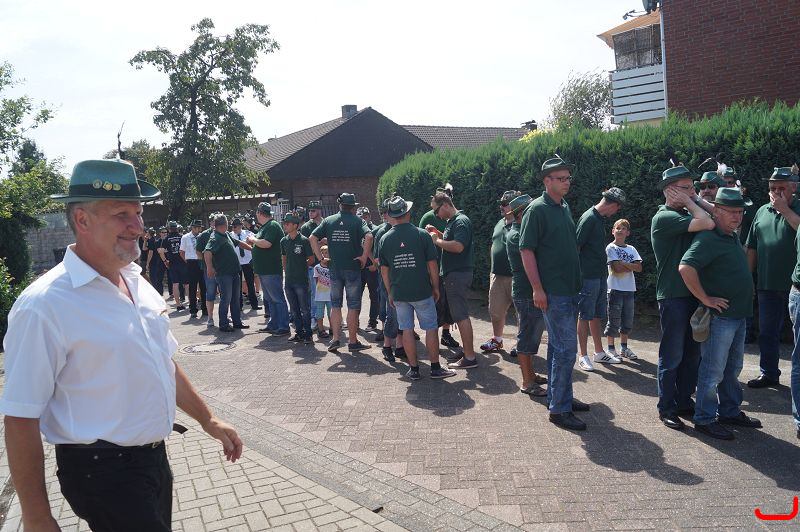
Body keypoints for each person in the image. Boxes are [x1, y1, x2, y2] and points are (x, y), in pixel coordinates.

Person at [0, 159, 242, 531]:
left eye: (138, 213)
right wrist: (36, 517)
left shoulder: (137, 282)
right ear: (82, 220)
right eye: (121, 215)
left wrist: (207, 419)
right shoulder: (44, 305)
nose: (138, 226)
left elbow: (164, 363)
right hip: (101, 472)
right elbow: (20, 416)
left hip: (152, 461)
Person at [679, 187, 762, 440]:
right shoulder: (709, 238)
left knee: (733, 368)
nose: (738, 217)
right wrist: (705, 298)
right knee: (713, 370)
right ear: (717, 212)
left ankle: (729, 411)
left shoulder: (730, 235)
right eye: (732, 212)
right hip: (721, 318)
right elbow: (685, 267)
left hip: (738, 315)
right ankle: (704, 418)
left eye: (740, 212)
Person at [519, 155, 589, 431]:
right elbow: (526, 250)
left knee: (558, 348)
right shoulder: (536, 210)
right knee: (566, 349)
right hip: (554, 292)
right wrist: (537, 288)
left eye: (568, 178)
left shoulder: (564, 206)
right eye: (561, 178)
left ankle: (560, 397)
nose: (567, 182)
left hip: (569, 290)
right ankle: (559, 409)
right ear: (547, 181)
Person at [651, 164, 715, 431]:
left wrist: (693, 199)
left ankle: (683, 401)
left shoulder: (686, 211)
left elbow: (717, 217)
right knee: (672, 355)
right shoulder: (665, 217)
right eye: (686, 188)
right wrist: (692, 202)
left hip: (692, 293)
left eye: (692, 187)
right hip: (673, 295)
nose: (693, 192)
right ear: (670, 190)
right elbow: (708, 222)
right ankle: (666, 407)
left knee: (692, 355)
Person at [379, 196, 456, 380]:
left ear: (392, 215)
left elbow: (384, 271)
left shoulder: (385, 239)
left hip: (399, 293)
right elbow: (432, 265)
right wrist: (436, 287)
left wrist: (390, 292)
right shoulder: (422, 235)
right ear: (408, 212)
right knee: (431, 328)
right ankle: (435, 368)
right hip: (422, 291)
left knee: (406, 329)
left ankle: (413, 370)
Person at [745, 166, 800, 388]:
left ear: (794, 188)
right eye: (772, 188)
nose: (776, 192)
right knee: (767, 332)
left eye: (781, 188)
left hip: (796, 286)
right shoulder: (761, 211)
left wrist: (785, 210)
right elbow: (752, 247)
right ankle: (768, 373)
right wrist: (747, 278)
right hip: (767, 284)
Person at [309, 193, 372, 353]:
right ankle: (352, 341)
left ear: (340, 205)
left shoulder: (329, 221)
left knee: (335, 305)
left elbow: (312, 237)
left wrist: (321, 259)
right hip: (353, 268)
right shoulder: (358, 221)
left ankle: (336, 339)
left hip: (334, 268)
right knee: (353, 306)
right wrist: (364, 257)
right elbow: (369, 236)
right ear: (353, 207)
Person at [575, 187, 625, 370]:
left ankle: (598, 352)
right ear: (613, 204)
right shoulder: (589, 218)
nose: (617, 212)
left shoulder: (598, 218)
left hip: (599, 275)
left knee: (596, 315)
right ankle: (582, 355)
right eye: (618, 208)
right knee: (584, 315)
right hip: (587, 276)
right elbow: (576, 247)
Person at [427, 191, 477, 369]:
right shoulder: (453, 222)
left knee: (461, 315)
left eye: (436, 211)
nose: (436, 215)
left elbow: (458, 246)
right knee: (459, 314)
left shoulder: (460, 221)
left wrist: (436, 241)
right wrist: (439, 234)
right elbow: (453, 240)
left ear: (446, 205)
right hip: (455, 274)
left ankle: (470, 357)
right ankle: (467, 352)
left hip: (457, 275)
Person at [505, 194, 548, 395]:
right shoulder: (517, 235)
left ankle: (531, 375)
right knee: (526, 337)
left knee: (531, 336)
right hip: (526, 293)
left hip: (527, 292)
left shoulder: (520, 231)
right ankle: (527, 382)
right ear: (521, 214)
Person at [419, 184, 461, 350]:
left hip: (447, 267)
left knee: (448, 303)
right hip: (433, 266)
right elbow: (422, 242)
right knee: (436, 302)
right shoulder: (428, 217)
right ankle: (433, 337)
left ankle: (446, 334)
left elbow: (449, 240)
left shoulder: (452, 219)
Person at [480, 190, 519, 354]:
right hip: (497, 276)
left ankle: (521, 343)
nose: (501, 207)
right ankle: (497, 340)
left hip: (517, 276)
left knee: (521, 312)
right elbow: (494, 245)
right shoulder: (499, 223)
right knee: (495, 311)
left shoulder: (522, 224)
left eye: (505, 204)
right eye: (501, 204)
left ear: (515, 205)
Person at [204, 213, 252, 332]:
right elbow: (207, 252)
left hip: (234, 272)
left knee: (235, 298)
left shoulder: (225, 234)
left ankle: (237, 322)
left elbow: (238, 243)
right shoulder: (215, 238)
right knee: (226, 299)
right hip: (224, 274)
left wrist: (252, 249)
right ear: (224, 224)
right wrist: (209, 268)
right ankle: (223, 324)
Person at [248, 202, 290, 335]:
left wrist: (253, 239)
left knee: (277, 298)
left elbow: (267, 244)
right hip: (264, 270)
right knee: (270, 299)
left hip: (271, 269)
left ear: (260, 213)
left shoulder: (272, 225)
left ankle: (283, 326)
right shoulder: (265, 226)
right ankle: (274, 324)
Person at [604, 219, 642, 359]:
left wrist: (623, 263)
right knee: (613, 320)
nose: (620, 230)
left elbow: (639, 268)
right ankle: (610, 349)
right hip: (614, 289)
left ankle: (624, 348)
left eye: (623, 228)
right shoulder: (610, 248)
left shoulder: (632, 249)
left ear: (628, 233)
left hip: (629, 290)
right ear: (613, 231)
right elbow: (616, 268)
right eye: (617, 228)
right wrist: (630, 265)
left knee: (627, 321)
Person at [281, 211, 315, 343]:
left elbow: (311, 259)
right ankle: (299, 333)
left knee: (305, 309)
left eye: (287, 223)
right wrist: (287, 271)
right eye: (284, 223)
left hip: (301, 280)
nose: (285, 225)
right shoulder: (283, 241)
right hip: (289, 280)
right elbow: (284, 258)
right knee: (294, 310)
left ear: (295, 225)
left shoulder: (304, 240)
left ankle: (308, 334)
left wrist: (300, 267)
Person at [301, 200, 324, 330]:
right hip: (313, 264)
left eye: (313, 210)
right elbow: (304, 246)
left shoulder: (326, 223)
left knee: (331, 292)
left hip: (328, 264)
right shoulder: (306, 227)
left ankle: (335, 318)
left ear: (319, 210)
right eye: (309, 210)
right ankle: (314, 318)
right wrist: (318, 243)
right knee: (315, 293)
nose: (310, 213)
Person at [358, 206, 381, 330]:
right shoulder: (356, 229)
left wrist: (375, 264)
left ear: (369, 216)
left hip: (372, 267)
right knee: (356, 296)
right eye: (361, 217)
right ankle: (354, 321)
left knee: (374, 296)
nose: (363, 219)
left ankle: (372, 321)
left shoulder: (375, 230)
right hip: (359, 268)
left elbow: (378, 250)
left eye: (365, 216)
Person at [231, 217, 260, 312]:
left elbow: (256, 240)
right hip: (237, 263)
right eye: (232, 227)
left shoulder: (248, 234)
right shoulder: (230, 236)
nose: (234, 229)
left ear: (240, 226)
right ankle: (239, 306)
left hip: (247, 262)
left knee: (250, 284)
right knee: (237, 286)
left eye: (235, 227)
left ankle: (254, 304)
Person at [180, 219, 207, 318]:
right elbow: (182, 252)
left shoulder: (202, 236)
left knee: (203, 286)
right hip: (191, 262)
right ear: (193, 228)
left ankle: (205, 309)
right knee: (192, 287)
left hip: (201, 261)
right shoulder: (185, 237)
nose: (199, 229)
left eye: (200, 228)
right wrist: (187, 261)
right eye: (197, 227)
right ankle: (193, 310)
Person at [196, 213, 219, 327]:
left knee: (225, 293)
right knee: (210, 293)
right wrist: (207, 264)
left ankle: (226, 316)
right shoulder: (204, 235)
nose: (215, 223)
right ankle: (210, 318)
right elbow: (198, 252)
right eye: (213, 221)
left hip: (222, 269)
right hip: (209, 270)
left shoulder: (223, 233)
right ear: (210, 222)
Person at [162, 220, 188, 310]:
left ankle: (178, 305)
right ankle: (191, 303)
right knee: (187, 283)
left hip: (172, 264)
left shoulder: (166, 239)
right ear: (177, 228)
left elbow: (161, 251)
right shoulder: (182, 237)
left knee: (175, 284)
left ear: (169, 229)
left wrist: (165, 261)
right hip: (183, 263)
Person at [314, 246, 332, 339]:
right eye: (323, 253)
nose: (325, 255)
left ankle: (332, 328)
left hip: (331, 295)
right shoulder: (317, 267)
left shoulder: (332, 266)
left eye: (327, 252)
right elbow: (316, 280)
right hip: (320, 295)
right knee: (319, 314)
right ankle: (321, 330)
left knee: (331, 313)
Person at [148, 226, 168, 295]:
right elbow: (159, 251)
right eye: (163, 232)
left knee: (172, 279)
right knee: (159, 278)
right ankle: (160, 293)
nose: (165, 233)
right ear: (160, 233)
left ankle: (172, 293)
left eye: (166, 232)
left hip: (169, 261)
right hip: (160, 262)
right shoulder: (157, 242)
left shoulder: (169, 240)